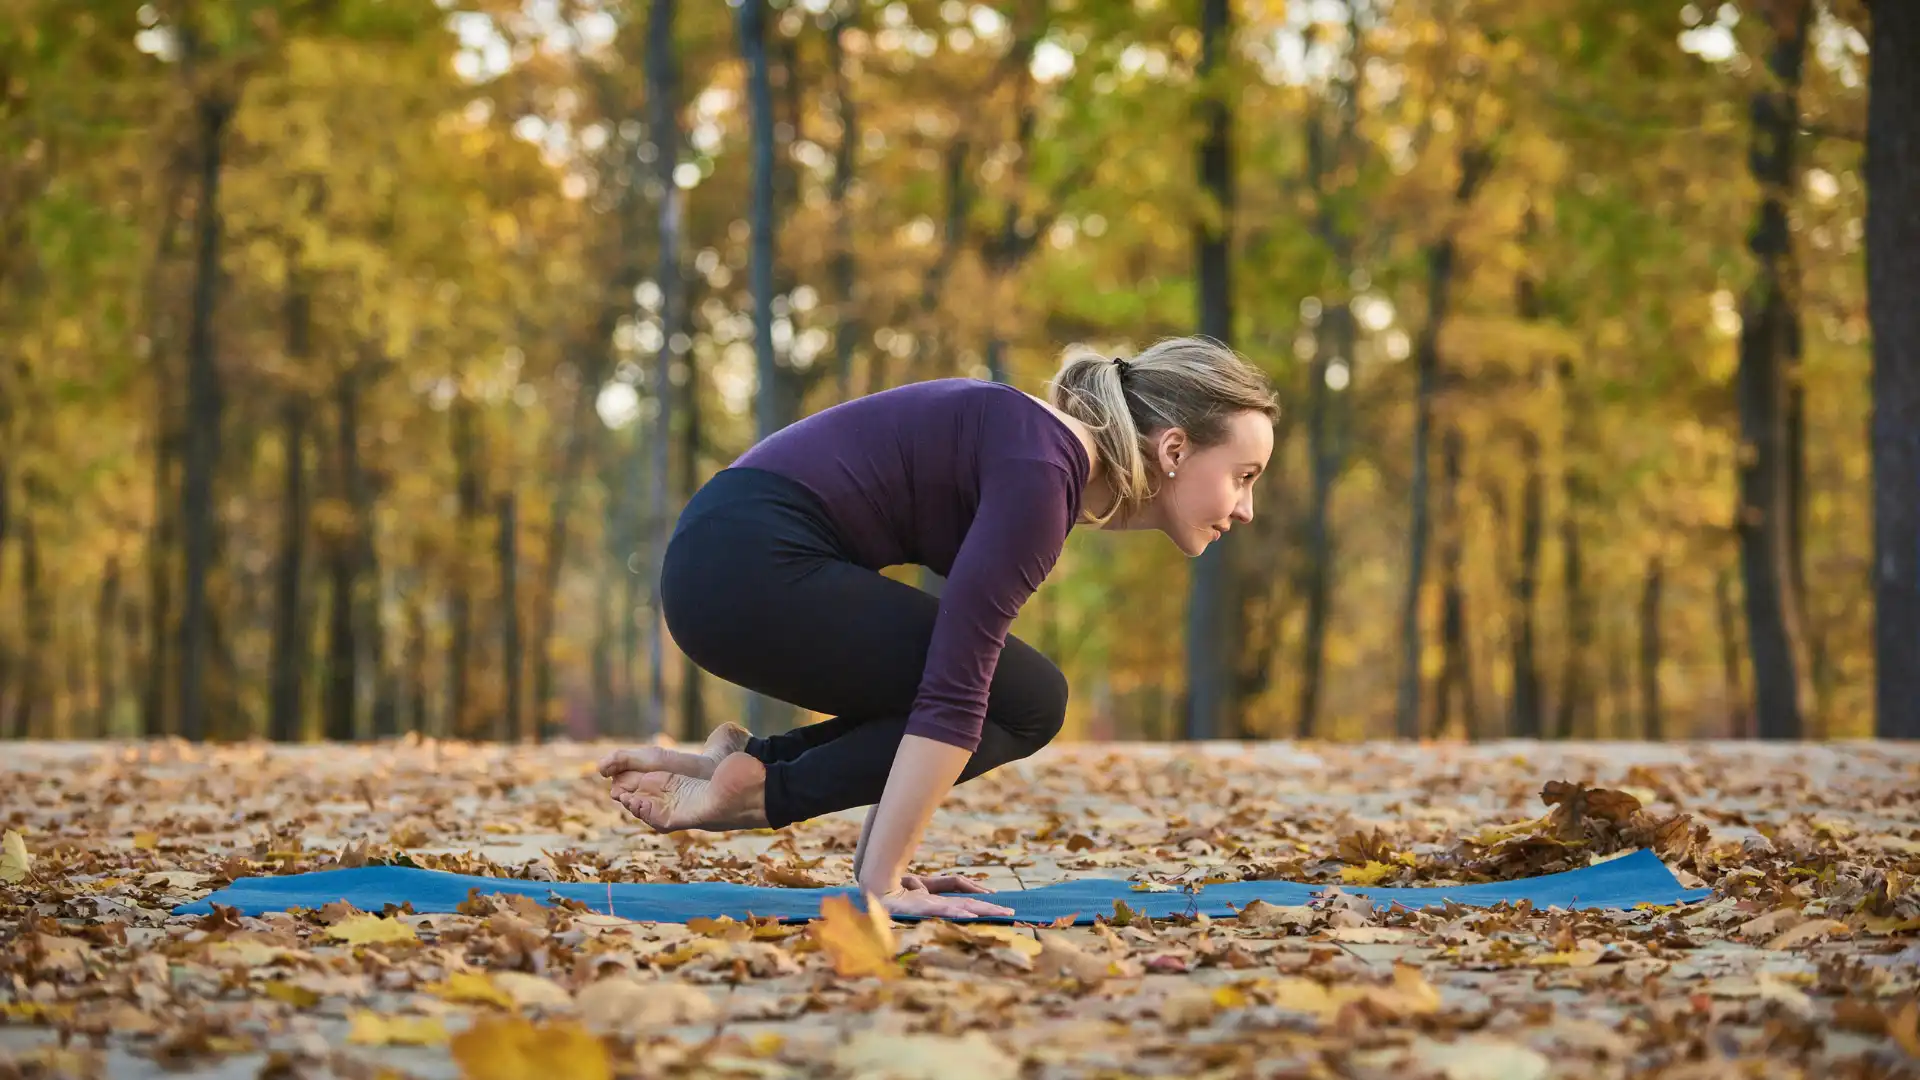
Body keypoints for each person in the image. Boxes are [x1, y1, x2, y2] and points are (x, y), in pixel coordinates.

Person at [596, 336, 1277, 918]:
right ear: (1176, 449)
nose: (1245, 509)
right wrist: (884, 886)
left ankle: (747, 772)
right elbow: (954, 693)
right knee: (1024, 700)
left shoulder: (1040, 455)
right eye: (1242, 477)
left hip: (726, 562)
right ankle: (761, 789)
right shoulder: (1042, 473)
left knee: (1028, 695)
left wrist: (881, 864)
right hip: (746, 567)